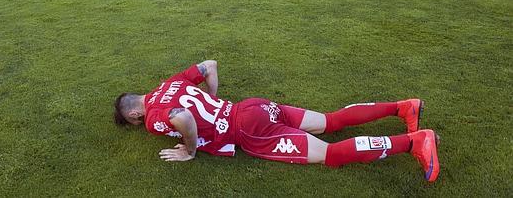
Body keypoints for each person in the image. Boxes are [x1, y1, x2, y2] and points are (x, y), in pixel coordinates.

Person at [114, 61, 440, 182]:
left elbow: (182, 117)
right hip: (254, 106)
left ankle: (415, 142)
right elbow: (209, 65)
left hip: (250, 131)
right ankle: (403, 108)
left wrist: (189, 150)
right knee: (330, 120)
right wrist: (216, 101)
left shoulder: (153, 118)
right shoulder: (168, 83)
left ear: (134, 115)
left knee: (330, 154)